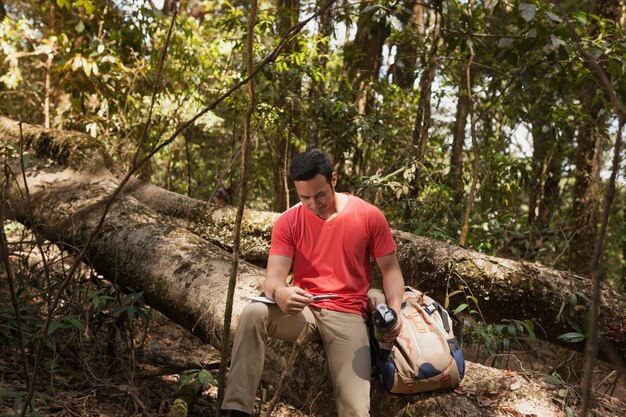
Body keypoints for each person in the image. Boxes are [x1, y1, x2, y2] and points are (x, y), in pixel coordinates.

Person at [221, 148, 405, 417]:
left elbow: (390, 270)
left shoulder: (368, 215)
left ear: (334, 179)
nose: (313, 204)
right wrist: (280, 293)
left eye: (319, 195)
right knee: (253, 313)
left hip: (347, 313)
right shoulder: (288, 221)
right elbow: (272, 278)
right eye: (304, 197)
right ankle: (236, 410)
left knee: (355, 409)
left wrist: (396, 310)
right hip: (303, 308)